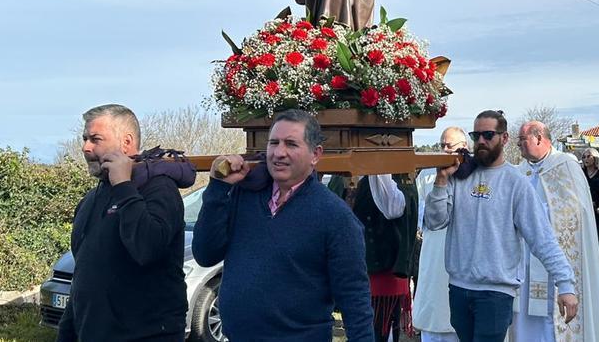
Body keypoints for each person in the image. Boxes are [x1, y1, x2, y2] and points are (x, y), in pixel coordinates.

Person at [191, 109, 374, 341]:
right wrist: (218, 188)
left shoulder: (336, 217)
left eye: (291, 144)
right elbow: (205, 254)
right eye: (273, 143)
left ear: (315, 154)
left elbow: (354, 298)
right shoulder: (243, 195)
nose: (279, 153)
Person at [423, 110, 577, 342]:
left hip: (495, 292)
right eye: (476, 136)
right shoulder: (459, 177)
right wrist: (441, 181)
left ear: (504, 138)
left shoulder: (516, 183)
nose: (481, 141)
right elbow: (435, 222)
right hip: (458, 288)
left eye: (488, 135)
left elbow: (541, 239)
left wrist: (565, 284)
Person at [57, 104, 196, 342]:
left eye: (95, 139)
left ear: (126, 142)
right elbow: (85, 275)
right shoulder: (93, 198)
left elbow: (147, 248)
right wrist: (67, 333)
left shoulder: (160, 188)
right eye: (84, 138)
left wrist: (123, 185)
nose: (85, 147)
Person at [510, 122, 599, 342]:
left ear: (538, 138)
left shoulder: (566, 166)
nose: (518, 145)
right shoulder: (520, 171)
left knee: (554, 322)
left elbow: (578, 212)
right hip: (524, 263)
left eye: (522, 140)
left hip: (556, 259)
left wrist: (541, 216)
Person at [331, 173, 418, 342]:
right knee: (357, 331)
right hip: (350, 269)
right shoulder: (339, 173)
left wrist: (378, 169)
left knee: (380, 333)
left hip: (384, 272)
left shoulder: (398, 174)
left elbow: (394, 209)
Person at [415, 127, 469, 342]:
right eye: (442, 145)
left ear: (464, 147)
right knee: (435, 310)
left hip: (463, 254)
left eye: (450, 145)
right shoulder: (428, 174)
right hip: (434, 252)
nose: (445, 150)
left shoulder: (474, 174)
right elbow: (422, 216)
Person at [581, 148, 599, 238]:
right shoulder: (581, 173)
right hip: (584, 208)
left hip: (597, 210)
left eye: (588, 156)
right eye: (584, 157)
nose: (586, 159)